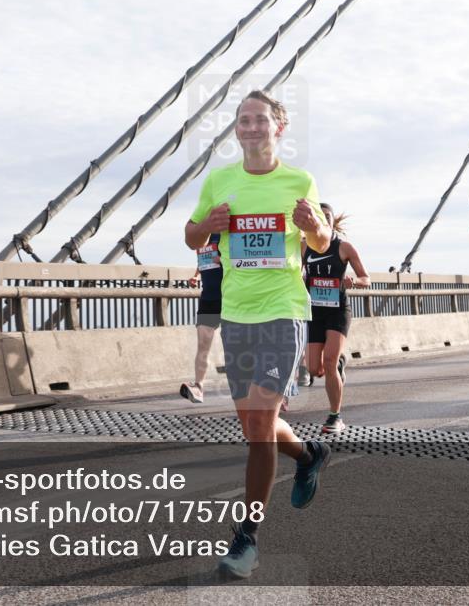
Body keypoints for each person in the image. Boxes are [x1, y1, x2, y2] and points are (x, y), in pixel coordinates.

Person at [185, 89, 332, 579]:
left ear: (278, 127)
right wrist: (207, 224)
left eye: (260, 120)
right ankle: (309, 454)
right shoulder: (219, 181)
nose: (251, 127)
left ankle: (246, 539)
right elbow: (192, 235)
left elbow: (320, 240)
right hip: (236, 314)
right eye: (243, 120)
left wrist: (314, 227)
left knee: (261, 422)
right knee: (256, 428)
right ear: (237, 130)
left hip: (283, 310)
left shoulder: (299, 180)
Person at [302, 203, 370, 433]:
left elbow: (366, 278)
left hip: (338, 310)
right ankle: (339, 364)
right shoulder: (304, 247)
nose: (324, 219)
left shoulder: (344, 247)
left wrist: (354, 281)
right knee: (314, 369)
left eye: (327, 216)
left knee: (329, 362)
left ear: (332, 221)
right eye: (320, 216)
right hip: (315, 311)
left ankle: (335, 417)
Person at [180, 233, 222, 403]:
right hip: (208, 299)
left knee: (237, 346)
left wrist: (220, 258)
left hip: (230, 297)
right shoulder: (201, 237)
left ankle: (255, 389)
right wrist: (196, 275)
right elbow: (203, 261)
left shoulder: (224, 234)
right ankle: (198, 387)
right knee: (203, 345)